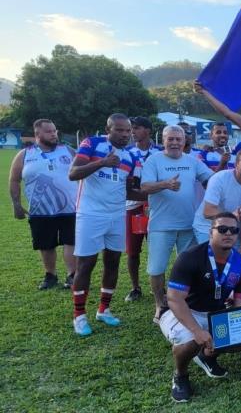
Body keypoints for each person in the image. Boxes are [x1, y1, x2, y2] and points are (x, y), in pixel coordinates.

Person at [159, 212, 241, 402]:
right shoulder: (190, 257)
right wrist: (196, 330)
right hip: (182, 312)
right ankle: (180, 376)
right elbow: (174, 299)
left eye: (234, 230)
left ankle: (207, 356)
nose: (228, 234)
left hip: (214, 313)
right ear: (210, 232)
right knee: (192, 340)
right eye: (222, 229)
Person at [68, 114, 142, 336]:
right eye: (119, 130)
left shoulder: (132, 157)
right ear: (108, 129)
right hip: (90, 214)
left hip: (117, 216)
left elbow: (130, 190)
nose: (124, 134)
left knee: (112, 263)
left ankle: (104, 309)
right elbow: (73, 174)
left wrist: (158, 190)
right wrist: (102, 162)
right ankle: (79, 315)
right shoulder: (92, 143)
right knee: (86, 264)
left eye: (128, 131)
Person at [141, 126, 214, 323]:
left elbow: (210, 179)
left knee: (189, 267)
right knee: (156, 268)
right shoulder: (153, 160)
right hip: (161, 225)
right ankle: (160, 304)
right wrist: (165, 184)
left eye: (178, 140)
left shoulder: (192, 161)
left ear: (184, 142)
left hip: (188, 225)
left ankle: (186, 303)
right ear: (163, 140)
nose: (174, 143)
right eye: (170, 139)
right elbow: (144, 186)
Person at [9, 118, 77, 289]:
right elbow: (14, 180)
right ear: (37, 134)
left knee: (71, 241)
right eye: (49, 131)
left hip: (70, 207)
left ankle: (72, 275)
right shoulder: (25, 155)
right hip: (40, 210)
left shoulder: (68, 151)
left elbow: (84, 170)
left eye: (55, 131)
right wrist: (16, 205)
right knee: (46, 244)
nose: (54, 134)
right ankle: (50, 275)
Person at [123, 116, 163, 301]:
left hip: (157, 206)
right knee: (132, 250)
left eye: (137, 128)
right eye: (132, 128)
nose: (133, 131)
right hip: (133, 206)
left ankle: (159, 287)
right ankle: (135, 287)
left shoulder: (161, 152)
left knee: (157, 248)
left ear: (147, 130)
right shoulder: (127, 152)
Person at [193, 149, 241, 250]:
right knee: (211, 262)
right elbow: (207, 212)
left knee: (233, 263)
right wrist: (231, 216)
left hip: (231, 229)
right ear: (236, 164)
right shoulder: (219, 179)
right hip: (207, 228)